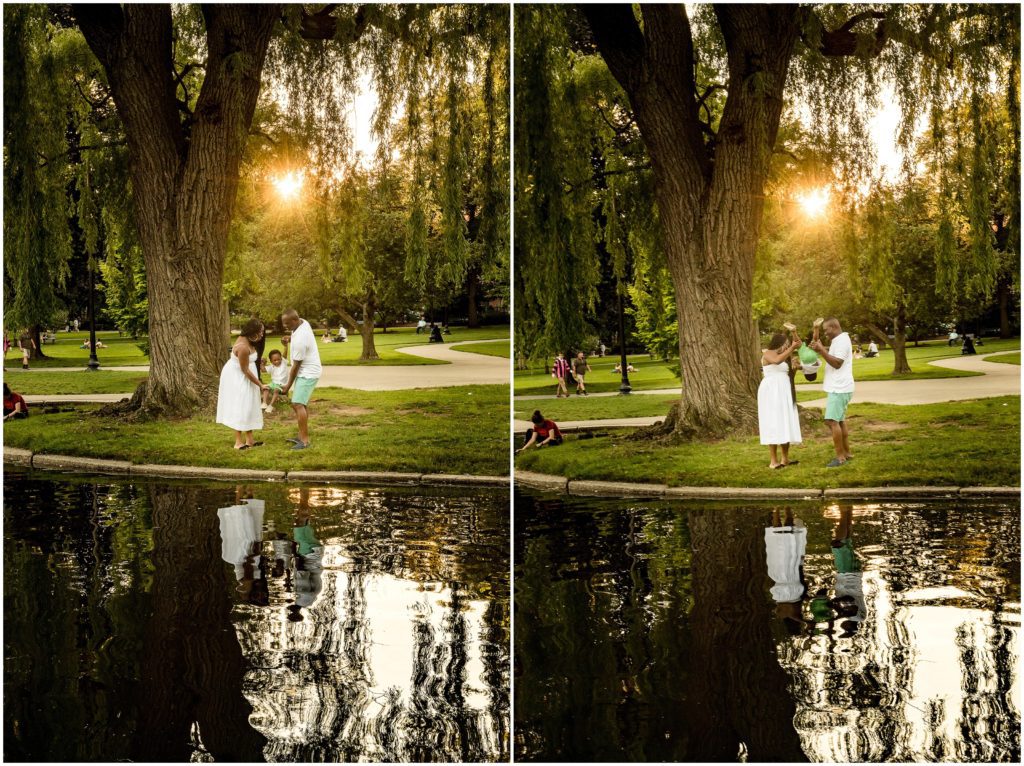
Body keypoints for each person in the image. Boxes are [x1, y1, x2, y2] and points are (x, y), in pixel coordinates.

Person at [215, 317, 268, 450]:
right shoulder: (243, 347)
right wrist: (260, 385)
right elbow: (244, 370)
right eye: (260, 332)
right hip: (238, 378)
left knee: (249, 406)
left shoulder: (249, 341)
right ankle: (238, 442)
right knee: (241, 406)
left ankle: (250, 440)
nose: (262, 334)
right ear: (252, 331)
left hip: (246, 376)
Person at [810, 317, 854, 467]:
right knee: (840, 421)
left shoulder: (841, 341)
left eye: (826, 330)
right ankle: (847, 453)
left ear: (834, 326)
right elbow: (832, 356)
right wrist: (821, 346)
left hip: (839, 388)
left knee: (831, 421)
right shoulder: (839, 340)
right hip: (840, 387)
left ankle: (840, 458)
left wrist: (822, 350)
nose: (825, 333)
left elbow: (837, 363)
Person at [758, 330, 802, 469]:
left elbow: (787, 375)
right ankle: (773, 461)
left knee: (785, 422)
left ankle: (785, 459)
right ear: (778, 343)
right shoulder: (768, 353)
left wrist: (794, 368)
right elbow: (776, 361)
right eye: (785, 343)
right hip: (771, 392)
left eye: (788, 344)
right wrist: (792, 348)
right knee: (773, 422)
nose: (787, 346)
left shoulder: (785, 356)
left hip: (784, 391)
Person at [280, 308, 322, 450]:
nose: (285, 326)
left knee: (297, 404)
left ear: (295, 320)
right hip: (307, 371)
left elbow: (295, 367)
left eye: (287, 323)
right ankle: (301, 436)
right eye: (283, 323)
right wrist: (289, 338)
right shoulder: (303, 323)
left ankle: (304, 441)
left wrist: (287, 386)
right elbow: (296, 334)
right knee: (300, 404)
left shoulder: (300, 341)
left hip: (308, 373)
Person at [764, 507, 809, 635]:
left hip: (785, 572)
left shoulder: (783, 612)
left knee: (783, 543)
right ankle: (783, 510)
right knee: (787, 542)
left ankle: (779, 510)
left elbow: (795, 616)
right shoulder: (795, 608)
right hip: (788, 571)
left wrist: (802, 622)